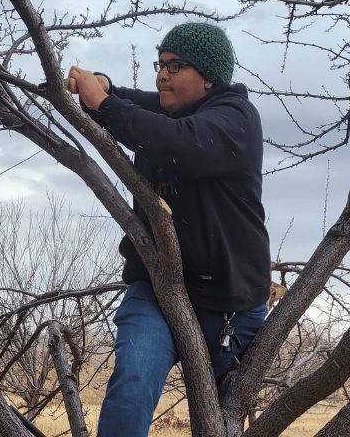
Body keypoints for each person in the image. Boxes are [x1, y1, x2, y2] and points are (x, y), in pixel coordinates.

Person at [68, 22, 271, 437]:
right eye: (160, 65)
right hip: (158, 292)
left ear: (209, 76)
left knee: (218, 421)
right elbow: (135, 104)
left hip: (231, 305)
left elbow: (175, 141)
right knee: (131, 385)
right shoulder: (170, 108)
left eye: (175, 66)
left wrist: (104, 104)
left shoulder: (235, 119)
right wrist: (105, 88)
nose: (162, 75)